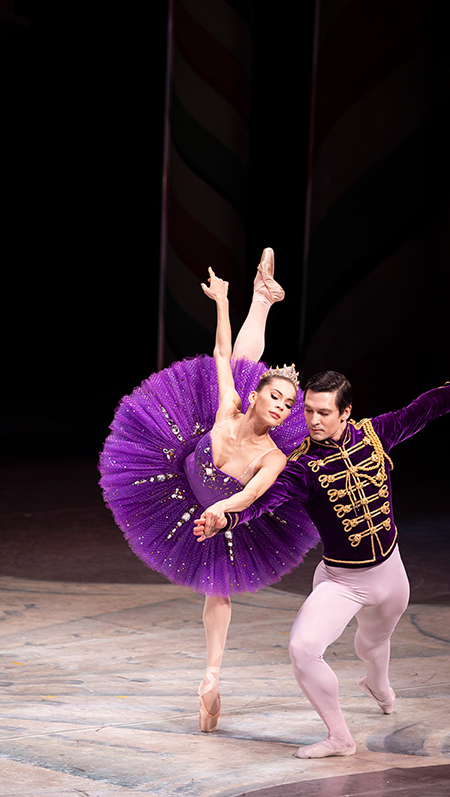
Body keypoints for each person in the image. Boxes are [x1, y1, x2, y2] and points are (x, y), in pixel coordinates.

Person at [194, 364, 450, 757]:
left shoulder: (375, 435)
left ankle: (378, 686)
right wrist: (228, 517)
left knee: (373, 645)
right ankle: (339, 736)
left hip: (392, 576)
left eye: (324, 412)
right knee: (303, 648)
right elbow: (266, 501)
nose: (313, 420)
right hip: (342, 582)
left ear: (345, 413)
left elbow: (425, 407)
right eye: (308, 410)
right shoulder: (302, 467)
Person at [99, 250, 319, 733]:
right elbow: (222, 356)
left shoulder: (274, 457)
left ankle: (211, 679)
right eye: (275, 396)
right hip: (181, 480)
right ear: (258, 394)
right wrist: (221, 301)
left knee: (218, 591)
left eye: (289, 403)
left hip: (222, 514)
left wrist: (222, 509)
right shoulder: (229, 408)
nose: (282, 407)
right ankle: (260, 300)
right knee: (239, 361)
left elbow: (251, 497)